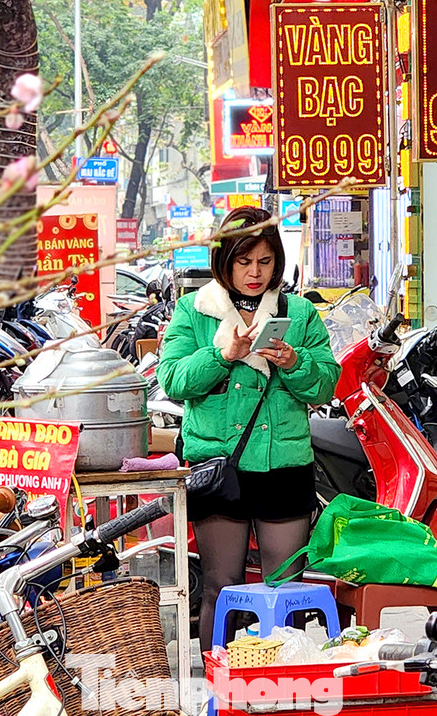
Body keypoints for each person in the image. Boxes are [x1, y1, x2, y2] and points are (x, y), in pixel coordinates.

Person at [155, 206, 340, 656]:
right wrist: (223, 355)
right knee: (221, 586)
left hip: (284, 466)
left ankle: (281, 680)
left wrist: (294, 362)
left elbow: (326, 384)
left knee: (285, 589)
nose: (255, 273)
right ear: (224, 261)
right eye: (244, 262)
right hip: (219, 468)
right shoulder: (195, 310)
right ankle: (216, 681)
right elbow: (173, 380)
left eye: (265, 261)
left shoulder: (299, 313)